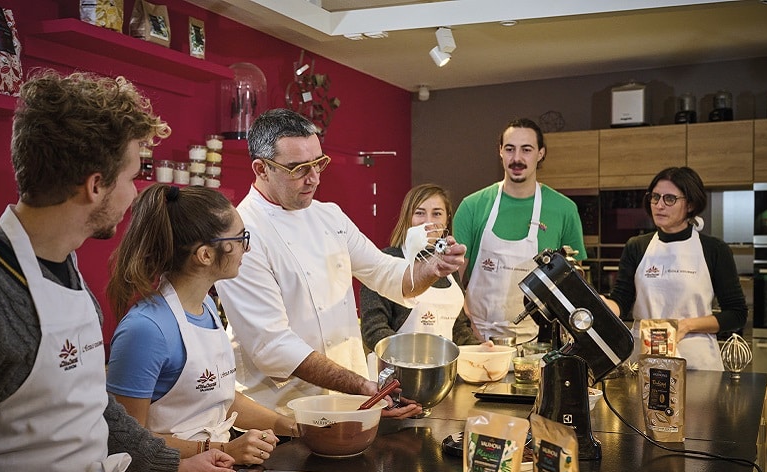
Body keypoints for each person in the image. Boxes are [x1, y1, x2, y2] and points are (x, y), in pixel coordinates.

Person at [0, 70, 234, 472]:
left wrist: (171, 464)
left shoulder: (67, 269)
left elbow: (91, 404)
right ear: (95, 185)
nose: (134, 193)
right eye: (132, 176)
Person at [215, 108, 466, 417]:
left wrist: (431, 269)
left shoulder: (329, 216)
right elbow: (273, 347)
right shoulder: (243, 233)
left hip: (348, 403)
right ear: (261, 169)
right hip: (279, 416)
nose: (314, 178)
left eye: (319, 163)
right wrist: (361, 386)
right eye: (298, 168)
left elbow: (385, 272)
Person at [106, 184, 296, 469]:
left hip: (211, 471)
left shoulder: (206, 306)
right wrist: (224, 449)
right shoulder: (145, 330)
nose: (248, 247)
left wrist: (293, 426)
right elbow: (126, 441)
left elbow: (221, 399)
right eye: (241, 238)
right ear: (205, 255)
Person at [452, 118, 586, 343]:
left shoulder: (564, 209)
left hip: (539, 343)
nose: (517, 158)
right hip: (476, 339)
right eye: (510, 149)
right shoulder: (472, 206)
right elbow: (451, 281)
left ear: (540, 153)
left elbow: (577, 283)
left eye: (526, 149)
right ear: (500, 152)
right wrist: (465, 331)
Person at [604, 166, 748, 371]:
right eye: (655, 197)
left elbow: (736, 313)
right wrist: (601, 304)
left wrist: (686, 326)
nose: (659, 205)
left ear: (690, 204)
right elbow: (622, 300)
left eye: (669, 199)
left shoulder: (714, 250)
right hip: (645, 360)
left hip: (696, 363)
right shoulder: (637, 246)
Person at [360, 183, 481, 352]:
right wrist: (413, 358)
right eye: (419, 213)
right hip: (398, 372)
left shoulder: (448, 267)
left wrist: (480, 350)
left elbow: (458, 329)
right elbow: (373, 330)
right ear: (407, 218)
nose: (428, 222)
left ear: (447, 221)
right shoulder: (385, 261)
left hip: (444, 371)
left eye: (437, 214)